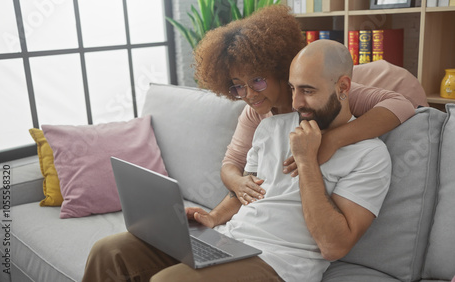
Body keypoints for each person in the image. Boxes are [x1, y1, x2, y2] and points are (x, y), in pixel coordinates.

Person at [82, 39, 391, 282]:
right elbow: (248, 190)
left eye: (308, 91)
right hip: (230, 241)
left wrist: (308, 161)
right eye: (294, 88)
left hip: (280, 264)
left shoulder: (370, 155)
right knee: (109, 252)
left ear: (344, 87)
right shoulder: (270, 125)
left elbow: (333, 246)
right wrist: (213, 218)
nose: (296, 103)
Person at [193, 5, 420, 206]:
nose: (249, 94)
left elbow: (401, 104)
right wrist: (238, 182)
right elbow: (232, 162)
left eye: (258, 80)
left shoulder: (319, 95)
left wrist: (333, 139)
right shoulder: (254, 113)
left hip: (397, 82)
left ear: (278, 68)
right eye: (238, 86)